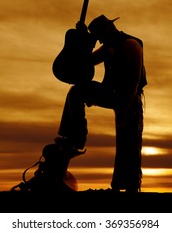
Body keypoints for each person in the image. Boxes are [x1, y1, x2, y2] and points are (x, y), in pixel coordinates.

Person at [56, 15, 147, 193]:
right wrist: (82, 40)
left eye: (98, 36)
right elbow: (88, 60)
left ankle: (129, 185)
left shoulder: (130, 45)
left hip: (129, 97)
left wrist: (124, 110)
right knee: (76, 92)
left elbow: (133, 83)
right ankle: (75, 137)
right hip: (110, 92)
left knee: (128, 141)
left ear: (107, 31)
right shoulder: (109, 47)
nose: (99, 40)